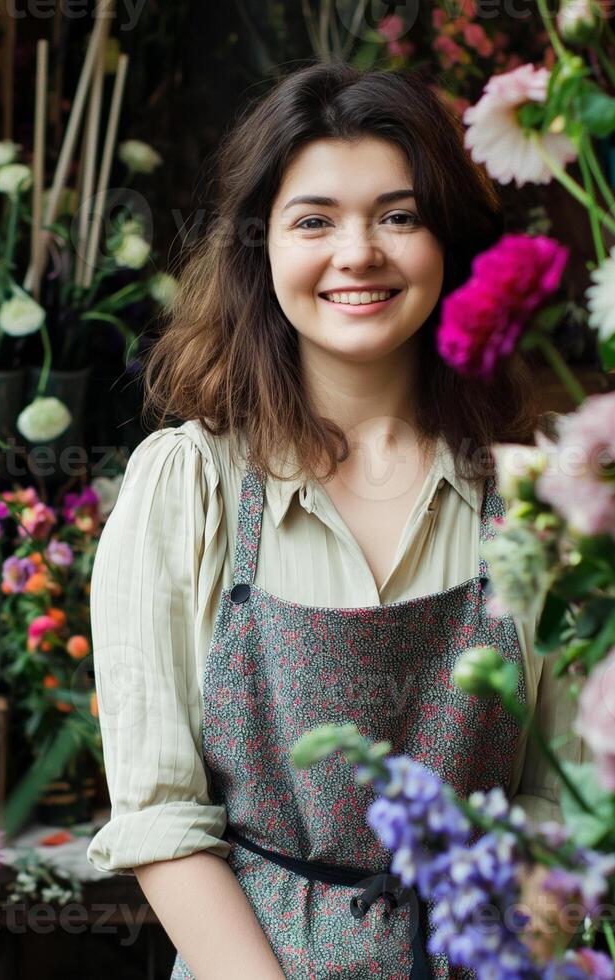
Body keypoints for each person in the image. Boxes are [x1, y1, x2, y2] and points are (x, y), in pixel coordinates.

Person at [85, 61, 584, 979]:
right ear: (259, 247)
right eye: (314, 220)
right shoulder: (188, 485)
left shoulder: (542, 491)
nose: (358, 253)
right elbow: (160, 818)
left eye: (399, 216)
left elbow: (565, 801)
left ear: (452, 245)